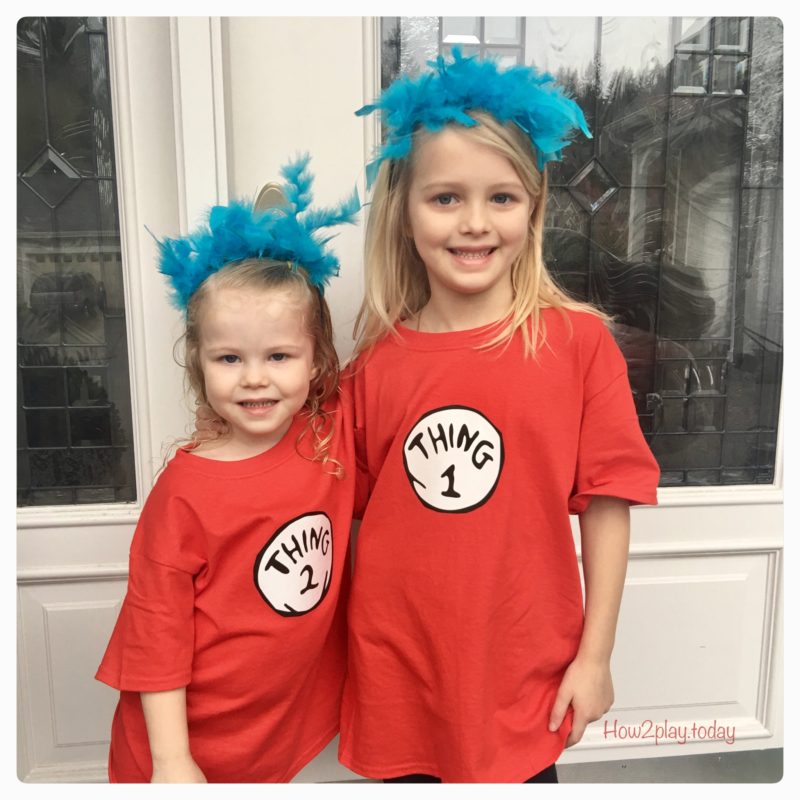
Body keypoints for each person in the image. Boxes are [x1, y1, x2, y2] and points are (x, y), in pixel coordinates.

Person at [337, 49, 661, 783]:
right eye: (445, 198)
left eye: (502, 198)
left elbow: (607, 501)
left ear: (535, 208)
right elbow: (340, 520)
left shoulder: (577, 345)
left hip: (524, 683)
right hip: (399, 681)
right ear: (404, 210)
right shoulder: (374, 368)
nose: (474, 223)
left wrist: (596, 656)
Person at [95, 156, 360, 783]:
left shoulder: (327, 434)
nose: (255, 377)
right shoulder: (185, 493)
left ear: (319, 362)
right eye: (229, 357)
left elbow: (405, 359)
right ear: (200, 364)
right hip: (182, 754)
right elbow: (155, 638)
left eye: (279, 354)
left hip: (269, 739)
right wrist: (171, 761)